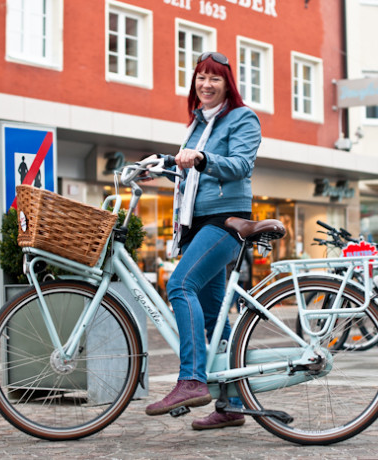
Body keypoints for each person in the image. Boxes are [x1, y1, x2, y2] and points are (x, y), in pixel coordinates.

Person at [144, 51, 261, 430]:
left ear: (227, 84)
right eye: (200, 77)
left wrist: (201, 158)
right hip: (197, 222)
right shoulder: (197, 123)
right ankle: (233, 404)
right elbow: (190, 171)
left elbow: (240, 164)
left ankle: (192, 379)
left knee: (180, 284)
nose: (206, 85)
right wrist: (161, 165)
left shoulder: (242, 118)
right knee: (213, 317)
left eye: (214, 78)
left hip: (225, 221)